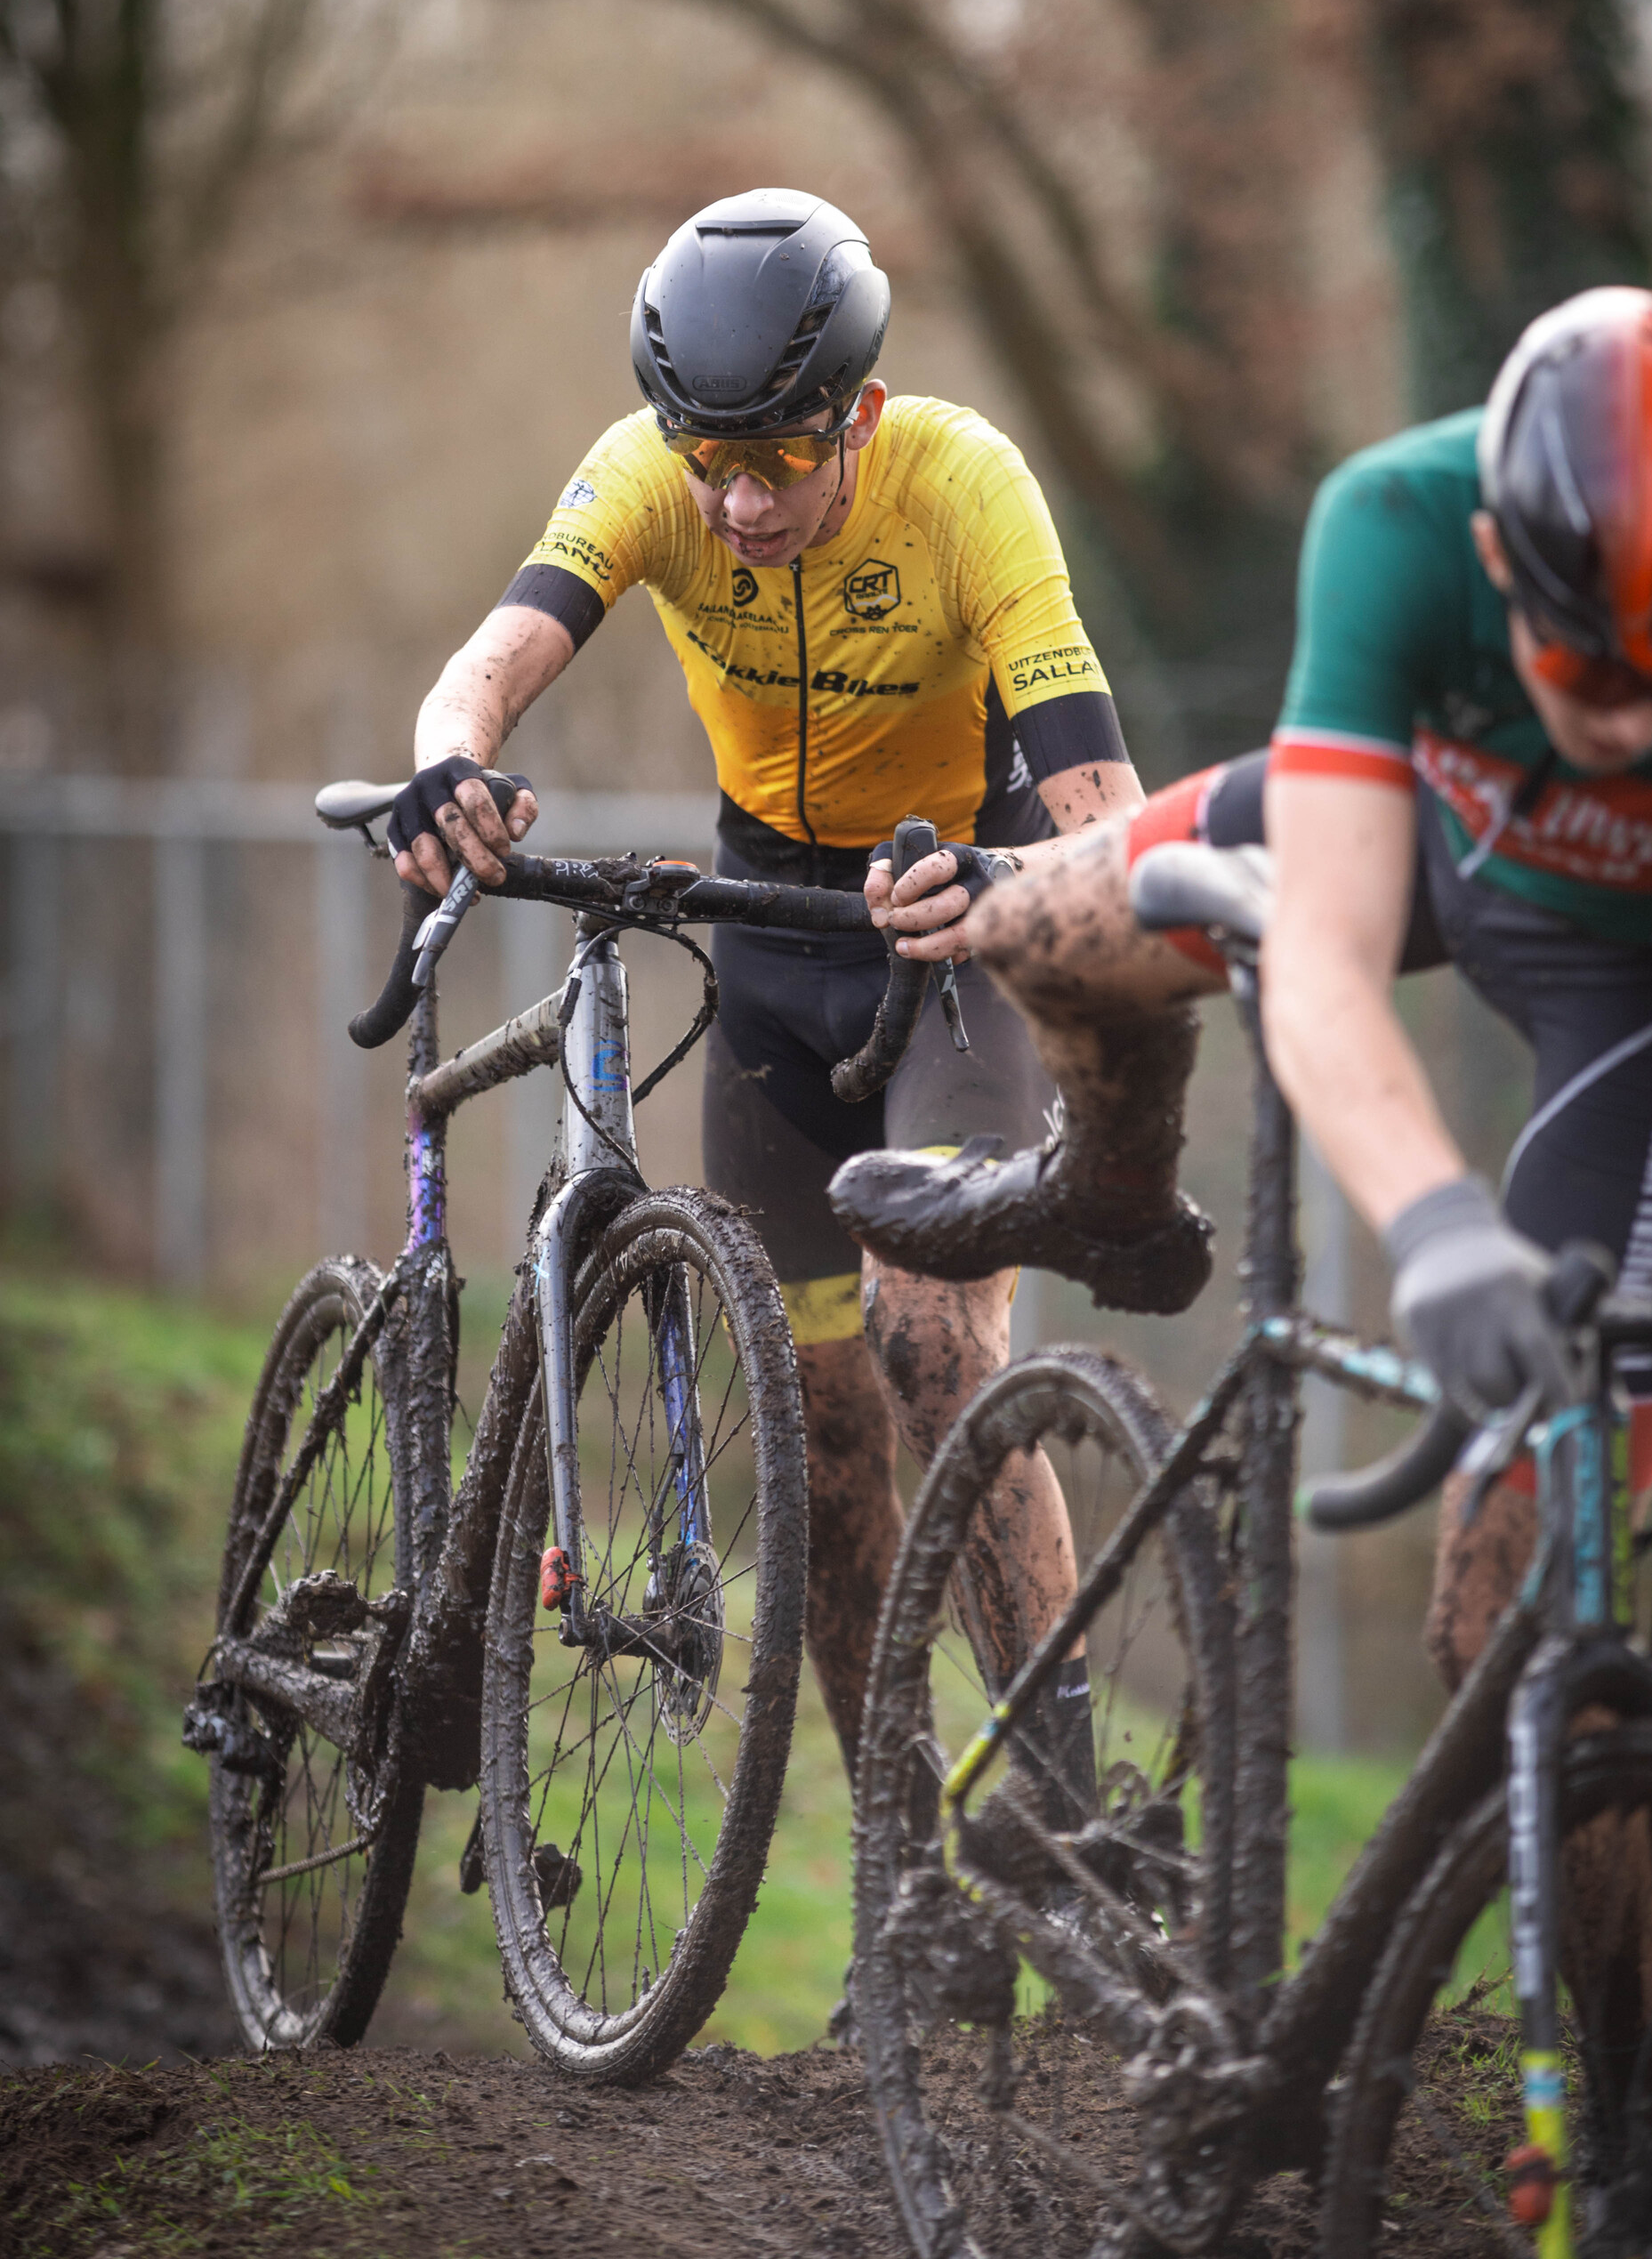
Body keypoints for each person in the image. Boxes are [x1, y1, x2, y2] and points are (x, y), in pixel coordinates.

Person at [833, 285, 1652, 1694]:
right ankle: (1104, 1188)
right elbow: (1319, 954)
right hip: (1410, 835)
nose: (1626, 727)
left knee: (1516, 1615)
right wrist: (1441, 1226)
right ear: (1493, 552)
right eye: (1586, 665)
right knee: (1031, 918)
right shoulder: (1395, 521)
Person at [383, 185, 1173, 1787]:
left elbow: (1110, 809)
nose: (739, 502)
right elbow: (488, 665)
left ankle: (1083, 1822)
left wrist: (1015, 883)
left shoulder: (966, 487)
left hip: (957, 921)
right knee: (818, 1427)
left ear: (859, 415)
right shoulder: (647, 475)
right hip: (767, 934)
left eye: (781, 461)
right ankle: (902, 1877)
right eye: (709, 459)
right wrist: (445, 770)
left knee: (936, 1339)